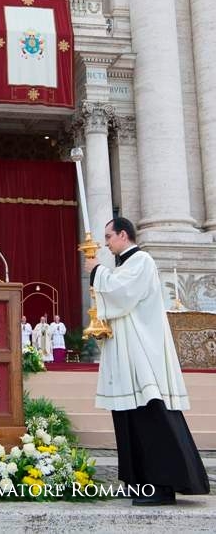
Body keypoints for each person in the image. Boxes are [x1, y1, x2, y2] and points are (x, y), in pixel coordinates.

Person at [85, 216, 210, 506]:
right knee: (127, 415)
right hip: (126, 351)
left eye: (109, 236)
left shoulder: (141, 261)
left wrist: (97, 272)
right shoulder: (125, 265)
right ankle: (137, 482)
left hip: (141, 353)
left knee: (149, 412)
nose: (106, 243)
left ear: (124, 235)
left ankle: (162, 485)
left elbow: (123, 294)